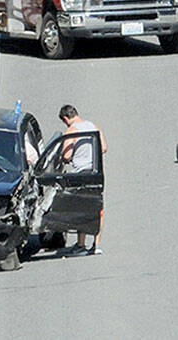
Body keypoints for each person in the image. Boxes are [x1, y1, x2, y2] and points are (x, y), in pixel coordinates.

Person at [58, 104, 107, 256]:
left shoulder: (72, 130)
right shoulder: (93, 126)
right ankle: (96, 245)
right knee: (97, 208)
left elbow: (66, 155)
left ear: (66, 118)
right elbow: (104, 147)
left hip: (81, 173)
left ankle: (80, 245)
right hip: (96, 172)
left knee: (81, 208)